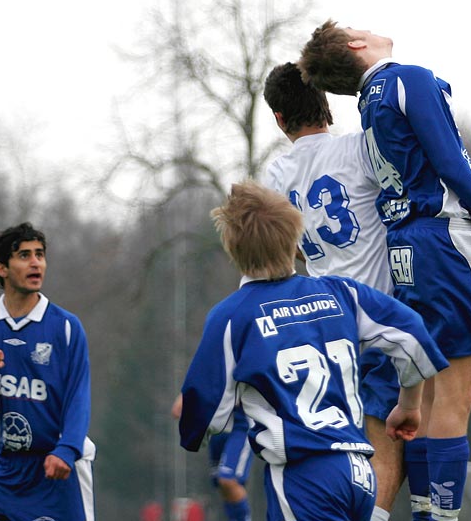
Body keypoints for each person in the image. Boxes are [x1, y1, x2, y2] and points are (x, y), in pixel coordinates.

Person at [298, 21, 471, 521]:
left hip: (406, 247)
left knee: (423, 389)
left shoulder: (369, 104)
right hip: (447, 245)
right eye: (358, 27)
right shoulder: (409, 79)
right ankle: (440, 516)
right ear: (357, 46)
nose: (368, 27)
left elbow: (448, 166)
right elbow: (453, 169)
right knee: (453, 395)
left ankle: (427, 512)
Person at [178, 179, 449, 521]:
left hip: (303, 478)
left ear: (233, 250)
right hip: (359, 473)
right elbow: (412, 333)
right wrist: (409, 405)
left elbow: (205, 413)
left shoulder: (232, 316)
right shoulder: (340, 293)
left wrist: (196, 433)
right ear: (295, 241)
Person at [263, 61, 403, 521]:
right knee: (384, 442)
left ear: (280, 120)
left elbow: (278, 256)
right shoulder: (360, 147)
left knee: (338, 445)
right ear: (327, 102)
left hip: (321, 328)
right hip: (378, 319)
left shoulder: (274, 175)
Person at [0, 222, 95, 521]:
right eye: (24, 255)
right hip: (8, 469)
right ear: (2, 268)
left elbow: (78, 397)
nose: (35, 263)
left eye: (40, 255)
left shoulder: (65, 327)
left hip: (58, 467)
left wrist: (66, 449)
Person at [172, 393, 253, 521]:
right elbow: (201, 375)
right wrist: (185, 396)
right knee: (222, 486)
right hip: (217, 429)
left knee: (228, 480)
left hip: (240, 426)